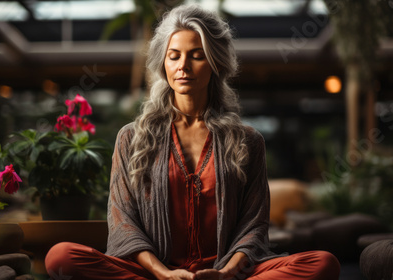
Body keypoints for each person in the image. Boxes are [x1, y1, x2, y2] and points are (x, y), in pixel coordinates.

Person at [45, 4, 341, 280]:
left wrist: (226, 273)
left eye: (196, 55)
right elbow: (123, 223)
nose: (183, 65)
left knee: (323, 263)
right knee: (60, 256)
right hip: (154, 273)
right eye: (174, 55)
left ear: (215, 63)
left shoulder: (248, 141)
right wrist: (163, 273)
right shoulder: (132, 138)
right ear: (164, 63)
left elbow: (254, 225)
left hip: (226, 272)